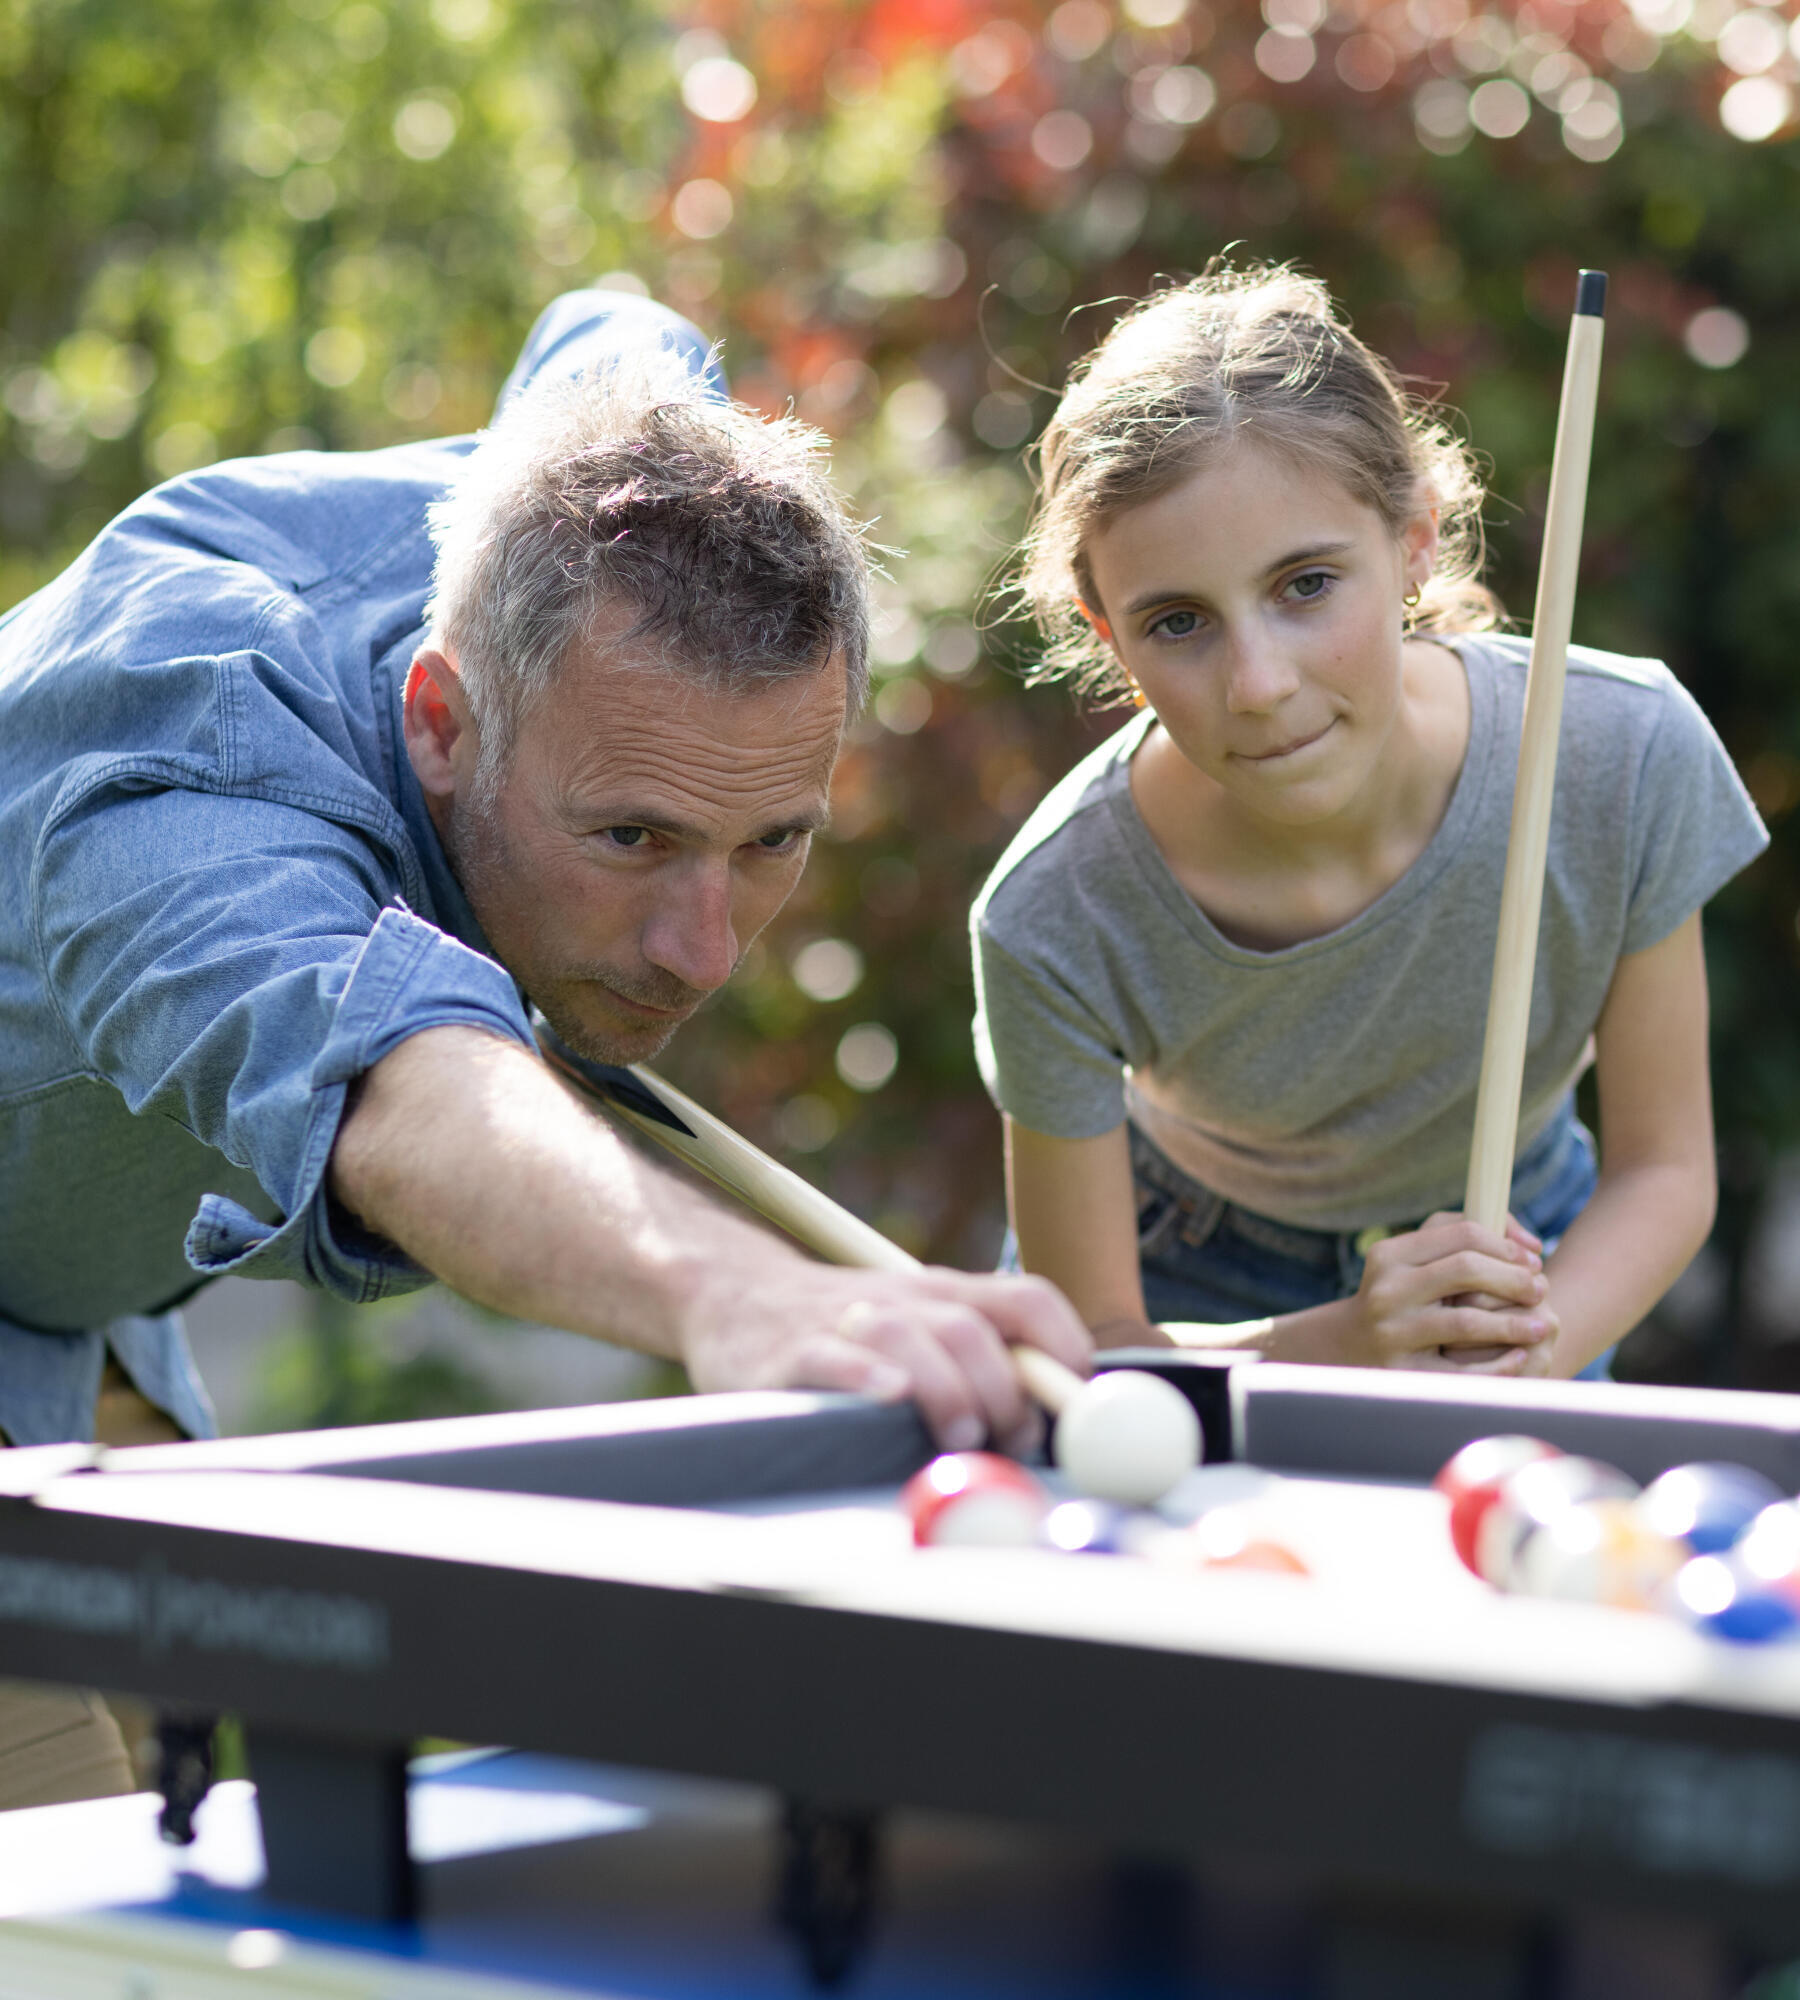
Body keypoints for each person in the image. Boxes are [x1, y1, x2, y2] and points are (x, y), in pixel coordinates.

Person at [0, 290, 1089, 1805]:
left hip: (71, 1301)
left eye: (769, 842)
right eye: (632, 835)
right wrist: (739, 1296)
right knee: (72, 1896)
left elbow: (613, 322)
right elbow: (402, 1085)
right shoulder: (179, 742)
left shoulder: (604, 483)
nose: (701, 950)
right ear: (439, 722)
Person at [971, 264, 1766, 1381]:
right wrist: (1346, 1346)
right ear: (1107, 637)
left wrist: (1526, 1353)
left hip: (1526, 1260)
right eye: (1179, 621)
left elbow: (1665, 1170)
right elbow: (1098, 1350)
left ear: (1415, 539)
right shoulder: (1052, 911)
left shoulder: (1620, 757)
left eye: (1305, 585)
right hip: (1189, 1285)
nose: (1258, 684)